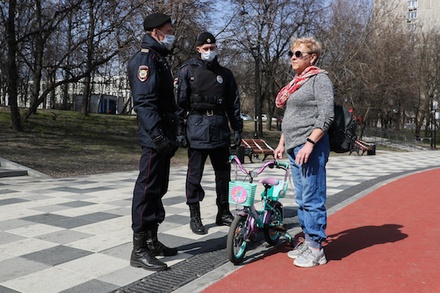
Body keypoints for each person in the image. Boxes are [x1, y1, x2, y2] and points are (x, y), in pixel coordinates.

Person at [273, 37, 334, 268]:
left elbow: (326, 116)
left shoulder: (320, 79)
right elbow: (290, 118)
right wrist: (282, 142)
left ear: (312, 57)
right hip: (294, 145)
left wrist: (310, 143)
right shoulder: (297, 82)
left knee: (312, 197)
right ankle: (309, 241)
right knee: (301, 198)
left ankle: (317, 249)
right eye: (291, 53)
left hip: (311, 147)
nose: (293, 57)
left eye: (298, 53)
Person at [176, 32, 243, 235]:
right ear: (198, 49)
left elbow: (234, 103)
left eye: (212, 48)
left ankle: (223, 211)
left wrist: (237, 128)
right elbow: (179, 103)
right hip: (197, 126)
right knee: (194, 175)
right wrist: (179, 130)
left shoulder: (226, 74)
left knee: (223, 174)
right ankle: (194, 215)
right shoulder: (188, 70)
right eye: (205, 49)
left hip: (219, 127)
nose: (209, 51)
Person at [127, 12, 179, 271]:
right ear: (156, 32)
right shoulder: (145, 60)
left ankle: (152, 239)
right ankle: (139, 250)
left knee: (159, 189)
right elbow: (145, 104)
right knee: (146, 190)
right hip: (154, 137)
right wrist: (158, 136)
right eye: (169, 30)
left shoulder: (159, 58)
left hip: (164, 134)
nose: (172, 34)